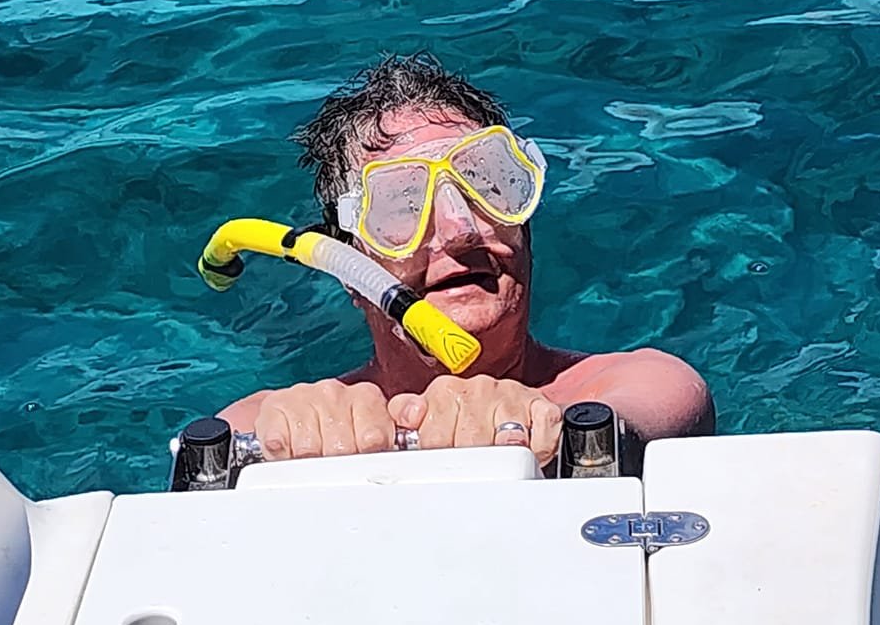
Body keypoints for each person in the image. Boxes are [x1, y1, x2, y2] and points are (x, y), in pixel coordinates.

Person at [219, 54, 715, 469]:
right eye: (402, 205)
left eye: (489, 186)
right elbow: (207, 461)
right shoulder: (270, 425)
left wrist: (544, 423)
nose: (461, 230)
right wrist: (284, 441)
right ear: (349, 268)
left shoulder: (632, 384)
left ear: (525, 231)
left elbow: (640, 418)